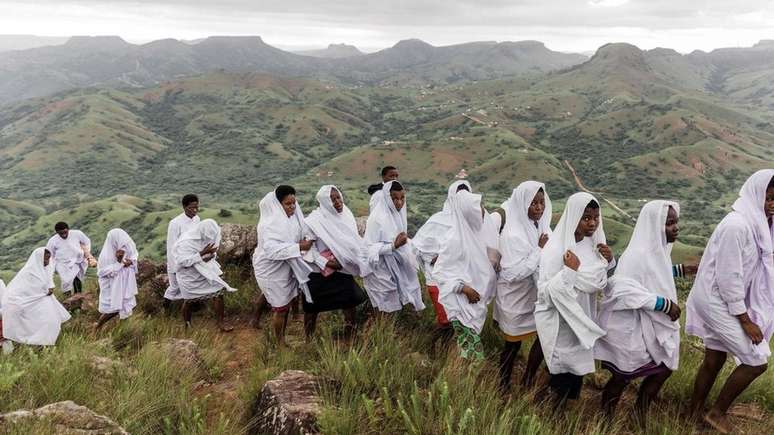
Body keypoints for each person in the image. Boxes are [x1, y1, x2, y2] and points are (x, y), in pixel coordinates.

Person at [686, 169, 774, 434]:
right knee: (757, 360)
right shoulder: (737, 226)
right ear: (757, 194)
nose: (773, 204)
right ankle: (716, 414)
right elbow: (728, 279)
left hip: (722, 299)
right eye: (770, 198)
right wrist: (745, 320)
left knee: (714, 358)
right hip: (716, 300)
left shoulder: (760, 224)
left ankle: (692, 414)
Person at [595, 201, 682, 424]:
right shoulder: (637, 254)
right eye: (669, 223)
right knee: (622, 376)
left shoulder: (658, 251)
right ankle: (605, 418)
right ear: (654, 226)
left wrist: (682, 270)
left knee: (664, 367)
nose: (675, 228)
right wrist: (664, 304)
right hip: (630, 326)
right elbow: (622, 290)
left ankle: (639, 411)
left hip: (650, 325)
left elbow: (654, 275)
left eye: (675, 222)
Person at [535, 192, 615, 405]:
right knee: (562, 370)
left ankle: (559, 408)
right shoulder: (555, 250)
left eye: (596, 217)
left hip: (584, 316)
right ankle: (547, 412)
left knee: (576, 370)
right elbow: (544, 292)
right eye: (586, 218)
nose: (593, 223)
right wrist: (569, 272)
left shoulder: (593, 245)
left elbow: (599, 279)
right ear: (574, 217)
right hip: (561, 322)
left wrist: (610, 261)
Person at [494, 181, 552, 392]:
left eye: (541, 202)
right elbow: (511, 273)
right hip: (515, 298)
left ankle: (528, 378)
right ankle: (503, 382)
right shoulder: (512, 234)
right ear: (522, 204)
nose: (538, 208)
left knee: (544, 336)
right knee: (512, 344)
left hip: (535, 297)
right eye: (533, 203)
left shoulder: (541, 226)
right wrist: (538, 250)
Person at [434, 189, 499, 361]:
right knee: (473, 355)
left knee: (465, 350)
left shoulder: (474, 235)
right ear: (467, 212)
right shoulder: (454, 239)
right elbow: (440, 273)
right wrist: (464, 288)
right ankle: (457, 382)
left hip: (475, 305)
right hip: (462, 304)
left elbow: (478, 264)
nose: (483, 210)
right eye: (478, 207)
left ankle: (455, 379)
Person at [303, 185, 369, 339]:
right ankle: (309, 340)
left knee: (349, 301)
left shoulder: (346, 214)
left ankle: (350, 335)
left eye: (338, 197)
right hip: (318, 271)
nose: (338, 202)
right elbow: (306, 249)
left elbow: (351, 241)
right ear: (324, 202)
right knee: (312, 307)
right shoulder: (313, 221)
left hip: (342, 268)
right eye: (332, 200)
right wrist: (325, 262)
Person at [253, 185, 313, 346]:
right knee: (280, 307)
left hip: (286, 265)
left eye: (294, 203)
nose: (293, 207)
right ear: (278, 205)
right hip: (270, 268)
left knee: (284, 301)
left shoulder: (292, 219)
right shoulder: (269, 224)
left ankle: (260, 324)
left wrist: (301, 243)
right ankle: (279, 343)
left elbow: (298, 236)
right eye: (288, 204)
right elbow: (272, 251)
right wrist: (299, 247)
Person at [413, 180, 471, 331]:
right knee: (446, 322)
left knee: (456, 321)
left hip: (460, 282)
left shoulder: (469, 223)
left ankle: (440, 351)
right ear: (452, 197)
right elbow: (421, 250)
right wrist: (443, 257)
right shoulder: (437, 220)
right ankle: (431, 348)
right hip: (437, 281)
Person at [363, 181, 425, 314]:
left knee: (406, 299)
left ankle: (401, 329)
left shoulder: (398, 216)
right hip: (380, 270)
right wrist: (393, 246)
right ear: (387, 197)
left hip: (398, 266)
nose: (399, 203)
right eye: (395, 198)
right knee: (385, 308)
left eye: (402, 198)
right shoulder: (376, 219)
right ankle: (381, 331)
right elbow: (368, 250)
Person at [174, 219, 236, 331]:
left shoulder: (213, 233)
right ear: (200, 231)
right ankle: (187, 325)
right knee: (189, 300)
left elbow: (213, 250)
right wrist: (202, 253)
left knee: (219, 292)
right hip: (188, 275)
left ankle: (221, 322)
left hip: (205, 271)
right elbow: (182, 262)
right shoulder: (186, 242)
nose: (209, 239)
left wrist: (212, 255)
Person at [2, 248, 71, 346]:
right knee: (36, 324)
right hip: (29, 302)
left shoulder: (45, 269)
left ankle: (45, 343)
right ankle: (35, 343)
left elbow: (48, 282)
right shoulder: (29, 272)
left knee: (51, 321)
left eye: (48, 259)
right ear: (38, 259)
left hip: (42, 301)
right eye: (45, 260)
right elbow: (26, 289)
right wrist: (44, 291)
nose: (47, 262)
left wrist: (49, 288)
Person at [95, 229, 139, 330]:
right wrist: (119, 263)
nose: (123, 246)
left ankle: (122, 329)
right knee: (113, 309)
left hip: (124, 283)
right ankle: (97, 327)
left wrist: (130, 262)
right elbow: (102, 272)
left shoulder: (126, 247)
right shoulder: (106, 256)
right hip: (111, 285)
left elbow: (134, 255)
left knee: (125, 306)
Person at [164, 194, 201, 301]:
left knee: (191, 285)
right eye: (191, 208)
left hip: (192, 259)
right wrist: (174, 266)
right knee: (175, 287)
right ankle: (166, 308)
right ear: (184, 207)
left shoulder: (197, 219)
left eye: (196, 207)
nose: (195, 210)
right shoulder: (175, 223)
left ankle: (194, 307)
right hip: (178, 260)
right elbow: (171, 246)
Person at [46, 222, 94, 294]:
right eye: (61, 233)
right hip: (62, 263)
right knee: (66, 281)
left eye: (65, 232)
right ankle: (67, 297)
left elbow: (87, 242)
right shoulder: (53, 241)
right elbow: (50, 254)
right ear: (57, 232)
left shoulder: (77, 234)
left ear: (68, 229)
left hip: (78, 260)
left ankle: (78, 295)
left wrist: (86, 254)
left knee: (77, 278)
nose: (63, 235)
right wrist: (51, 266)